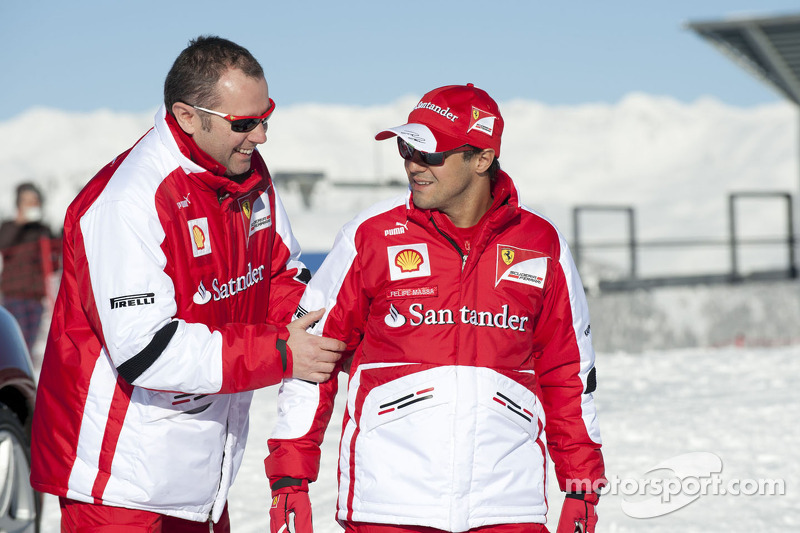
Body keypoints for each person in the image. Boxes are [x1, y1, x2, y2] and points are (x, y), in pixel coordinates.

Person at [30, 36, 344, 532]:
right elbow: (146, 350)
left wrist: (330, 317)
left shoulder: (248, 175)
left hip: (201, 473)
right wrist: (282, 353)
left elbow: (278, 273)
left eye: (267, 116)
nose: (261, 136)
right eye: (244, 123)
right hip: (121, 483)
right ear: (187, 116)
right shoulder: (128, 201)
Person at [265, 84, 605, 533]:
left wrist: (582, 487)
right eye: (406, 148)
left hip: (508, 508)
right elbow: (312, 360)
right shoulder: (369, 236)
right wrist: (290, 479)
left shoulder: (542, 244)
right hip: (387, 507)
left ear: (481, 158)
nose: (412, 163)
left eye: (429, 153)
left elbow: (569, 375)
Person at [0, 182, 55, 353]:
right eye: (28, 201)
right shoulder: (9, 227)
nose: (33, 205)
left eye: (35, 201)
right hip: (14, 295)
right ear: (19, 204)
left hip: (37, 296)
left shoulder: (43, 230)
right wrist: (20, 222)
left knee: (29, 345)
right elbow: (4, 245)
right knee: (15, 343)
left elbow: (54, 261)